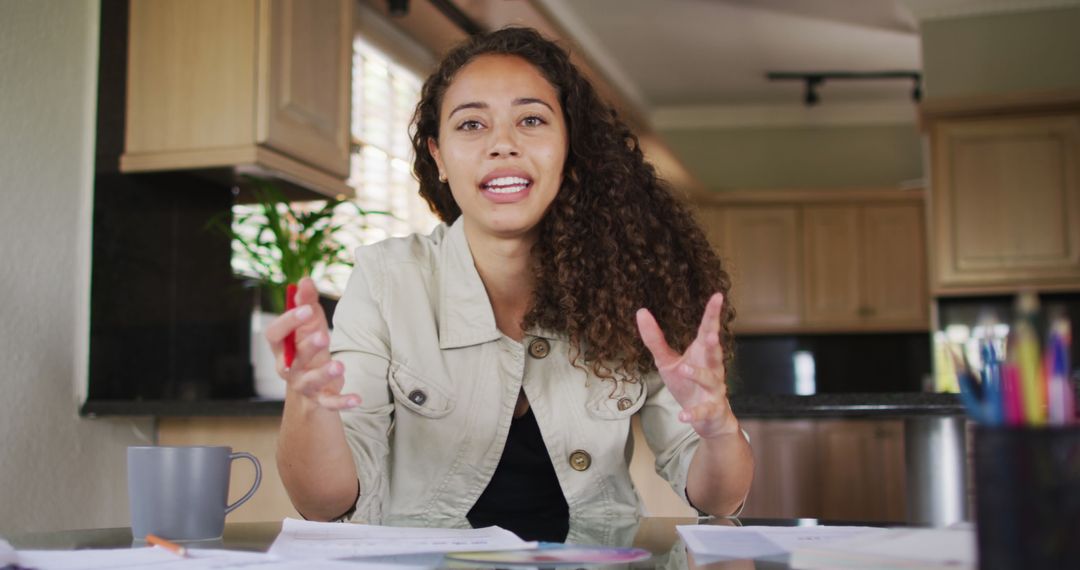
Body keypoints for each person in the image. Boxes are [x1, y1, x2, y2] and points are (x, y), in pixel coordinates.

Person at [268, 27, 753, 530]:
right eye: (471, 124)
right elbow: (325, 504)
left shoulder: (632, 283)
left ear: (570, 147)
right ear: (438, 156)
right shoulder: (386, 279)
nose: (502, 144)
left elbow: (719, 502)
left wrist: (718, 429)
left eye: (531, 120)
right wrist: (307, 403)